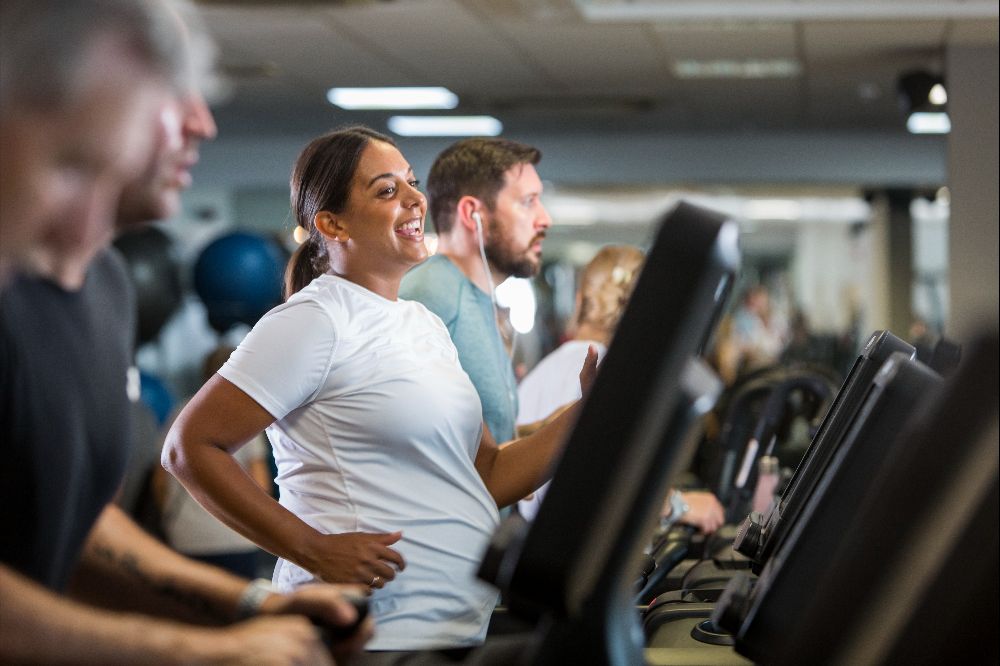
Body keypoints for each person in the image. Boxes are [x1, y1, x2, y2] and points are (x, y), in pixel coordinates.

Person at [0, 2, 367, 663]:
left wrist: (245, 605)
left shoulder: (106, 287)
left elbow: (68, 524)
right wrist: (189, 652)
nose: (203, 123)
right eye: (72, 167)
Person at [162, 125, 596, 651]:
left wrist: (589, 415)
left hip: (453, 624)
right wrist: (313, 549)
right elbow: (190, 447)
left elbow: (484, 474)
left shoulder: (421, 323)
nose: (415, 199)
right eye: (387, 190)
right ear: (332, 224)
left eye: (411, 183)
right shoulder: (315, 320)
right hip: (370, 632)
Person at [516, 245, 726, 534]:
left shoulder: (538, 375)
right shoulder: (611, 380)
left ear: (579, 303)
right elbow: (586, 490)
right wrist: (678, 506)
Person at [399, 138, 552, 446]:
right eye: (528, 202)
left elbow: (483, 444)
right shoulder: (431, 299)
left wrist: (557, 422)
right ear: (473, 214)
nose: (545, 219)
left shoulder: (474, 300)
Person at [150, 346, 272, 578]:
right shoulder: (245, 414)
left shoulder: (180, 412)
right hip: (237, 537)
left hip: (187, 536)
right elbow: (260, 486)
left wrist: (170, 519)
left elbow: (160, 481)